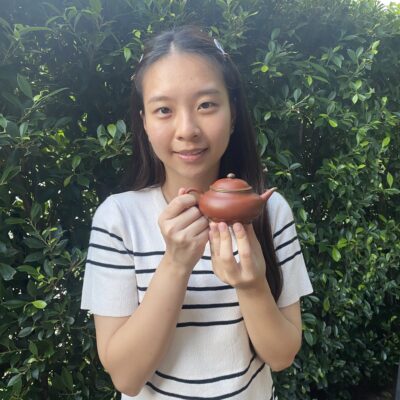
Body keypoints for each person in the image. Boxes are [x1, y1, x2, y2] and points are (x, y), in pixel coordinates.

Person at [81, 25, 313, 399]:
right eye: (164, 110)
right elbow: (125, 377)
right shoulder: (118, 220)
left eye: (206, 104)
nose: (187, 129)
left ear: (232, 113)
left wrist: (251, 284)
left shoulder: (269, 211)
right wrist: (175, 264)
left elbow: (282, 355)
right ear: (144, 122)